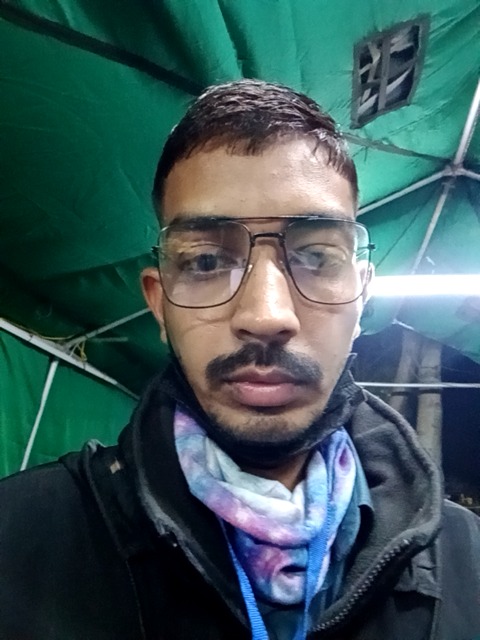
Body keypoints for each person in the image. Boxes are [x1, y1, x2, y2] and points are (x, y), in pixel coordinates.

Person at [1, 80, 480, 640]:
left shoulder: (468, 565)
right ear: (160, 303)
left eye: (316, 257)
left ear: (360, 296)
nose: (267, 315)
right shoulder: (20, 542)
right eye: (206, 262)